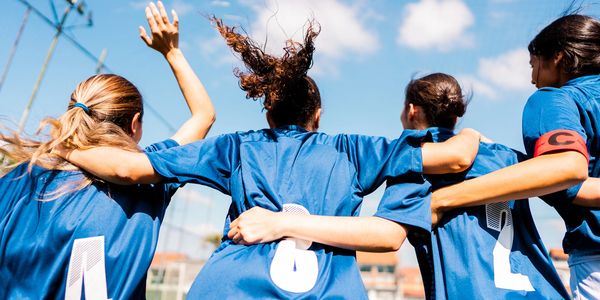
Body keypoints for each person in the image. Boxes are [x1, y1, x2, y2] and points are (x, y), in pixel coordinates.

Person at [58, 18, 483, 299]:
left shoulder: (237, 146)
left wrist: (67, 145)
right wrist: (467, 134)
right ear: (317, 116)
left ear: (268, 113)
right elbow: (454, 156)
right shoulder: (353, 149)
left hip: (228, 288)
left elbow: (126, 168)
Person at [230, 73, 570, 299]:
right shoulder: (507, 157)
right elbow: (571, 186)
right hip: (543, 290)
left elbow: (389, 235)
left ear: (410, 110)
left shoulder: (415, 161)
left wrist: (281, 222)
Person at [0, 2, 215, 299]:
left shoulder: (17, 182)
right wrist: (172, 52)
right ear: (135, 125)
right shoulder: (148, 176)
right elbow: (204, 115)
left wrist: (62, 149)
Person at [430, 14, 600, 299]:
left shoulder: (554, 99)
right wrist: (513, 161)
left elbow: (567, 168)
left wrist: (442, 200)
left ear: (558, 57)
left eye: (534, 66)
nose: (532, 79)